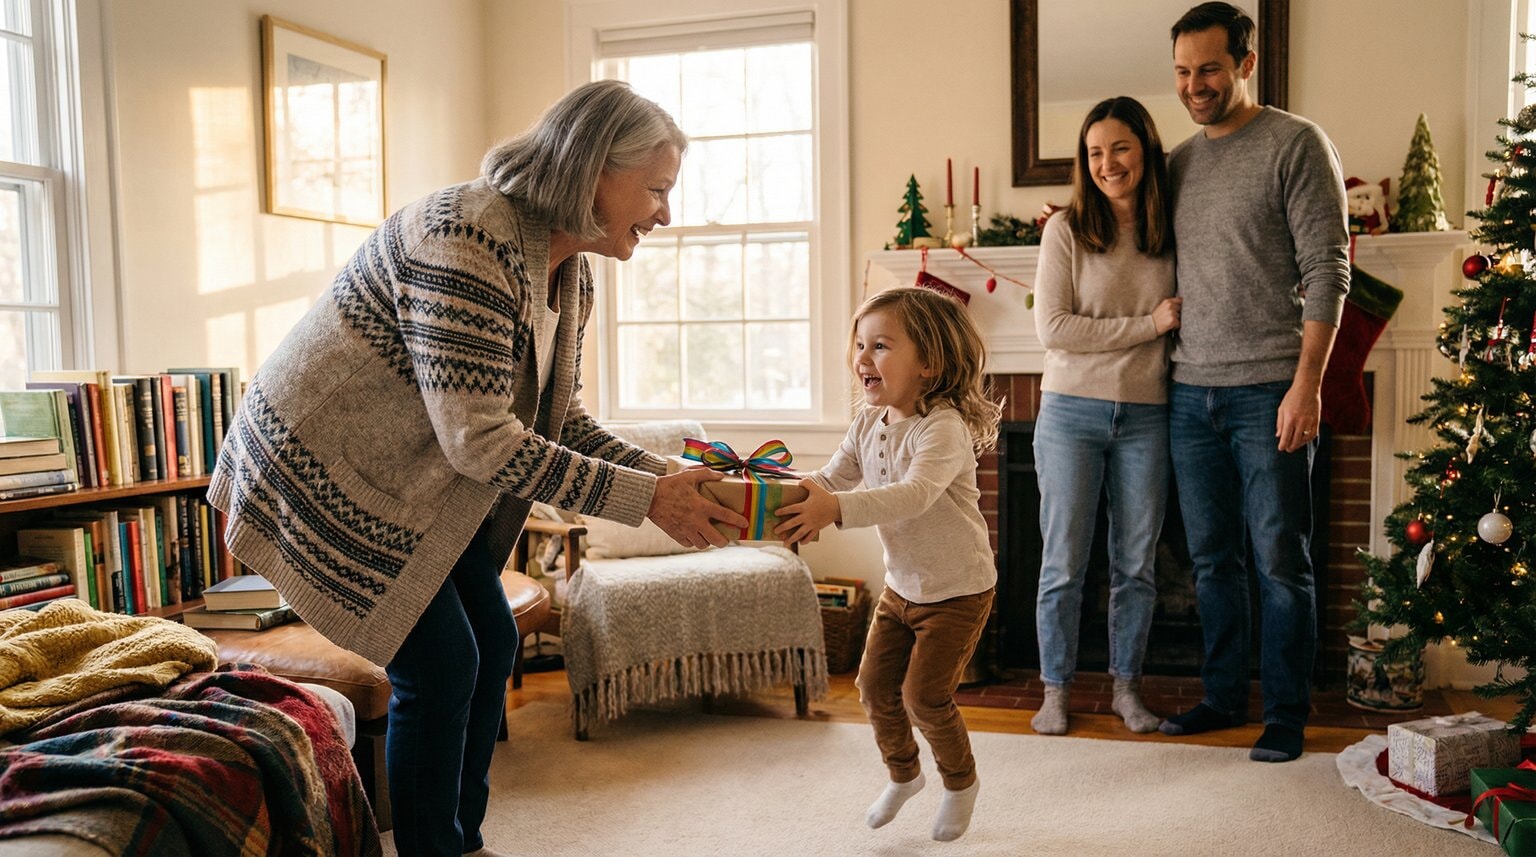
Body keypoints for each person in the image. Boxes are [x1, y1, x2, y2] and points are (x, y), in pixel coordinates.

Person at [208, 80, 747, 856]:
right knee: (441, 661)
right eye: (656, 189)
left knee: (491, 639)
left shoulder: (571, 269)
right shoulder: (468, 234)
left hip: (413, 477)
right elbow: (483, 441)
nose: (665, 212)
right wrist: (646, 498)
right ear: (595, 167)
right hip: (320, 465)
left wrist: (660, 475)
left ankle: (461, 839)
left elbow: (562, 420)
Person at [1157, 2, 1350, 764]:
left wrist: (1308, 385)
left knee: (1279, 557)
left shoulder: (1296, 144)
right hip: (1187, 393)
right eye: (1181, 72)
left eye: (1208, 68)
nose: (1194, 85)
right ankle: (1221, 694)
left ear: (1245, 61)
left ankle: (1286, 713)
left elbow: (1328, 269)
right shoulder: (1176, 163)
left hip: (1270, 389)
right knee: (1210, 559)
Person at [775, 286, 1001, 842]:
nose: (862, 358)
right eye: (860, 344)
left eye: (881, 346)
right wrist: (780, 498)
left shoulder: (941, 428)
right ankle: (905, 774)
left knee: (924, 696)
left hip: (957, 589)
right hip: (902, 587)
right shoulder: (867, 423)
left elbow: (914, 493)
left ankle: (960, 782)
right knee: (874, 688)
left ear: (930, 363)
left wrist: (835, 510)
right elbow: (831, 480)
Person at [1029, 96, 1181, 737]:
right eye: (1094, 152)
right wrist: (1149, 324)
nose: (1107, 163)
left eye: (1119, 148)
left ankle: (1126, 690)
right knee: (1064, 563)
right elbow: (1053, 329)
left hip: (1148, 415)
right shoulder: (1065, 229)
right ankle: (1055, 692)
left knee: (1136, 566)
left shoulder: (1172, 228)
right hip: (1069, 413)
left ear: (1145, 149)